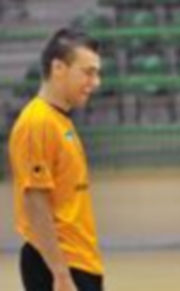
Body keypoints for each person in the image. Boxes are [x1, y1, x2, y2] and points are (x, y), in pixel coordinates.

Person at [9, 27, 103, 291]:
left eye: (96, 73)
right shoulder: (37, 123)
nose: (96, 82)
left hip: (79, 261)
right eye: (88, 72)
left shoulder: (58, 120)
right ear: (58, 68)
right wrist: (60, 274)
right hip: (60, 266)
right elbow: (35, 201)